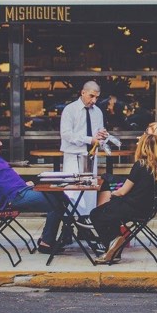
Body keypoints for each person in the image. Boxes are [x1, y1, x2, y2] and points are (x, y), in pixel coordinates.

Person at [0, 129, 65, 254]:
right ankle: (47, 243)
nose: (1, 145)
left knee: (61, 196)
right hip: (14, 197)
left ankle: (47, 239)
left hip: (23, 190)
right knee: (57, 201)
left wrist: (25, 184)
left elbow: (5, 178)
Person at [89, 132, 157, 264]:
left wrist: (113, 194)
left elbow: (123, 191)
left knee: (96, 214)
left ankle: (113, 243)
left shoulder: (140, 165)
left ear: (143, 147)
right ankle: (115, 249)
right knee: (112, 215)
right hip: (147, 210)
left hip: (132, 208)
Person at [60, 81, 108, 219]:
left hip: (91, 156)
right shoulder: (70, 110)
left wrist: (103, 136)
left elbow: (98, 135)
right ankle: (68, 228)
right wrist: (89, 139)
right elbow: (66, 134)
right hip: (73, 156)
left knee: (90, 193)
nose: (94, 100)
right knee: (71, 192)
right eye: (91, 96)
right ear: (83, 92)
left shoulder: (97, 112)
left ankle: (85, 227)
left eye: (97, 97)